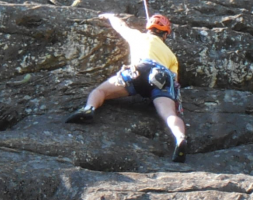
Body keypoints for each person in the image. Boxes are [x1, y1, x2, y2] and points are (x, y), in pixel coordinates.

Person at [66, 13, 187, 162]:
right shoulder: (171, 56)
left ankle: (89, 108)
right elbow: (174, 79)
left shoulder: (138, 36)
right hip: (161, 76)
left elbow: (121, 26)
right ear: (165, 34)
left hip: (139, 70)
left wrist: (110, 16)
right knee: (169, 114)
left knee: (100, 91)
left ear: (149, 28)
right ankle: (180, 137)